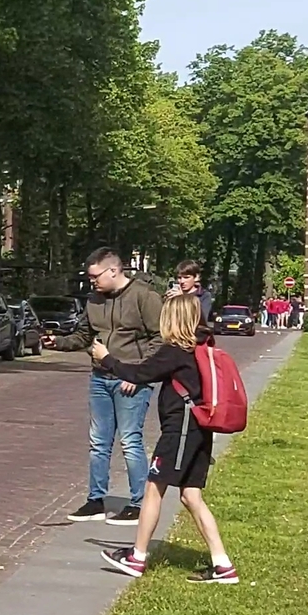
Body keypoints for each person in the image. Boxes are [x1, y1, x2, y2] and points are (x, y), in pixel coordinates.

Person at [92, 299, 239, 583]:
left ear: (172, 318)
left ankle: (137, 557)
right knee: (191, 496)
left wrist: (106, 358)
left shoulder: (176, 351)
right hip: (198, 429)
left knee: (153, 488)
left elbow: (139, 374)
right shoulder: (199, 345)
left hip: (181, 430)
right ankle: (223, 565)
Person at [75, 248, 160, 525]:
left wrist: (137, 374)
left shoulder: (144, 296)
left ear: (114, 270)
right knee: (98, 442)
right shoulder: (94, 300)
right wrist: (56, 342)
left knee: (130, 441)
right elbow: (84, 335)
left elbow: (161, 338)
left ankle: (138, 503)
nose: (92, 282)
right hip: (100, 377)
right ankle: (95, 500)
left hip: (130, 381)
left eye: (95, 276)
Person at [171, 261, 213, 334]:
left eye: (186, 277)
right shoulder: (174, 295)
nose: (182, 281)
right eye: (179, 278)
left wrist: (183, 299)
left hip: (194, 337)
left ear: (196, 277)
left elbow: (200, 320)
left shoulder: (204, 296)